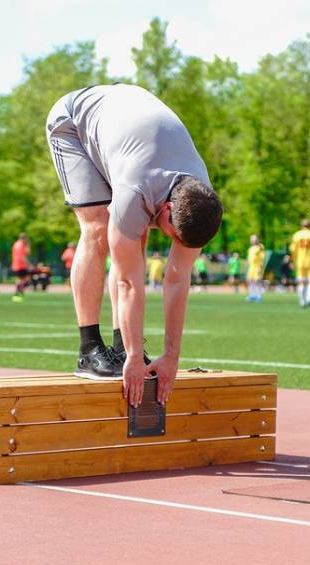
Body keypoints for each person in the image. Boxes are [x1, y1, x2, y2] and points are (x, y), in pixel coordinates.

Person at [45, 83, 223, 405]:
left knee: (137, 235)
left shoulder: (202, 200)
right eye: (171, 234)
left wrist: (171, 357)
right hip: (74, 122)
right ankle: (89, 349)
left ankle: (121, 346)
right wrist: (136, 356)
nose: (171, 242)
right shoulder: (135, 189)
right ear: (167, 208)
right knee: (98, 228)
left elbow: (178, 278)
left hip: (128, 134)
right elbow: (128, 282)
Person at [289, 219, 310, 308]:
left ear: (301, 226)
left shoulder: (296, 235)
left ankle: (302, 301)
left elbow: (292, 249)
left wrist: (292, 261)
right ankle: (309, 299)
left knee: (301, 282)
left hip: (299, 260)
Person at [11, 232, 31, 302]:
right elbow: (22, 256)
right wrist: (29, 264)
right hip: (20, 265)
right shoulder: (20, 245)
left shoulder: (17, 244)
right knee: (24, 279)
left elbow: (27, 253)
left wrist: (28, 245)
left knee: (21, 279)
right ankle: (18, 293)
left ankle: (19, 292)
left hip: (17, 264)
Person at [245, 235, 265, 303]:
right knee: (250, 281)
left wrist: (260, 267)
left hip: (257, 266)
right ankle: (252, 295)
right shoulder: (250, 248)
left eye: (254, 239)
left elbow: (262, 258)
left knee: (257, 281)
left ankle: (259, 296)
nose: (253, 240)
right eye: (252, 239)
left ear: (257, 239)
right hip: (251, 267)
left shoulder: (260, 247)